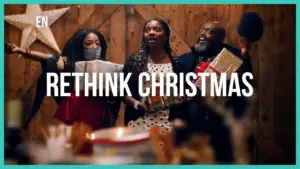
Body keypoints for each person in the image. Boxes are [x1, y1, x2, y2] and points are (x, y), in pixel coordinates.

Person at [6, 29, 120, 131]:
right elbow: (48, 58)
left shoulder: (107, 66)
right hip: (77, 111)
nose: (94, 46)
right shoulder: (70, 64)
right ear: (81, 46)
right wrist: (21, 51)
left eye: (97, 43)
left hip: (100, 113)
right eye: (89, 43)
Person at [174, 21, 254, 163]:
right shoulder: (184, 60)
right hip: (192, 133)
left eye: (209, 32)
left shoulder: (233, 57)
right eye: (202, 30)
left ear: (221, 38)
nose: (203, 34)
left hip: (223, 132)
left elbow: (241, 90)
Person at [121, 18, 183, 138]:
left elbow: (180, 92)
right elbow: (123, 92)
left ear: (166, 35)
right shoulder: (135, 60)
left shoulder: (175, 63)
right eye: (147, 30)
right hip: (140, 121)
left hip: (168, 122)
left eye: (157, 29)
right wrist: (137, 104)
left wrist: (178, 98)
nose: (151, 32)